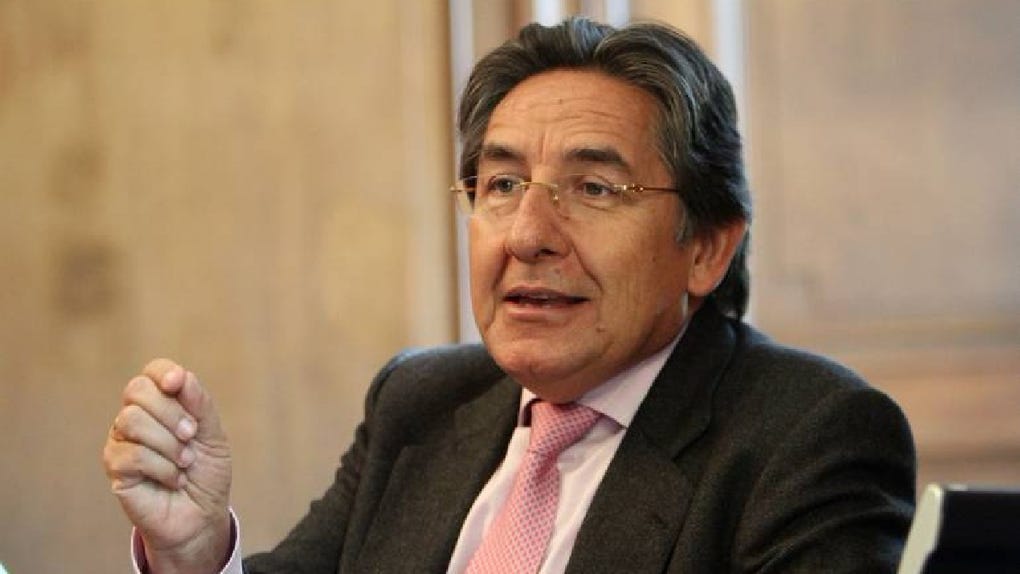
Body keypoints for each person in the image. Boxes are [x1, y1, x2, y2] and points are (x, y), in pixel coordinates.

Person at [102, 17, 916, 574]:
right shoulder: (419, 402)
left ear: (705, 247)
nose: (528, 234)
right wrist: (196, 555)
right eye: (500, 184)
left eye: (593, 188)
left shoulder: (808, 438)